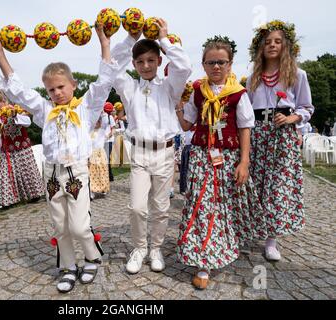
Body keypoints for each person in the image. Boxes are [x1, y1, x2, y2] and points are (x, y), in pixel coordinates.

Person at [0, 24, 117, 293]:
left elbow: (104, 82)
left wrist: (104, 43)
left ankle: (92, 257)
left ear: (73, 85)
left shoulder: (86, 109)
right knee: (60, 225)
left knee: (80, 226)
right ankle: (68, 266)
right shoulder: (44, 110)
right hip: (52, 174)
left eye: (61, 87)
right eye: (51, 89)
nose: (57, 93)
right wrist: (0, 56)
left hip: (76, 172)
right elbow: (19, 91)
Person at [175, 36, 265, 290]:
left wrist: (244, 162)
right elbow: (187, 124)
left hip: (227, 158)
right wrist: (178, 105)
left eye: (221, 62)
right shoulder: (198, 91)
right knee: (202, 204)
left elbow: (245, 127)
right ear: (203, 64)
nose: (216, 67)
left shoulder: (238, 94)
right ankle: (204, 261)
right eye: (211, 62)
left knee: (223, 205)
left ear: (230, 64)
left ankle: (223, 244)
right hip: (202, 156)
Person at [110, 19, 192, 274]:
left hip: (165, 152)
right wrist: (130, 39)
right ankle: (139, 247)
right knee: (136, 206)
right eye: (140, 62)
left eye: (151, 61)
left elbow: (184, 66)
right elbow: (112, 68)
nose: (146, 66)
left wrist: (164, 39)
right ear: (134, 64)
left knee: (161, 206)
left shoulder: (170, 87)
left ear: (159, 61)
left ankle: (155, 247)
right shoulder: (129, 87)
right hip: (140, 153)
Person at [247, 20, 314, 261]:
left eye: (277, 41)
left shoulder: (297, 74)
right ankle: (251, 227)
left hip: (281, 134)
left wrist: (292, 118)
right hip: (257, 134)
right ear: (260, 48)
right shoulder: (253, 77)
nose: (272, 45)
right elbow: (246, 109)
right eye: (267, 42)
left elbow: (307, 106)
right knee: (255, 183)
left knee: (277, 187)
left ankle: (271, 239)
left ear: (286, 45)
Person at [0, 91, 45, 209]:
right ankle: (6, 201)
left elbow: (27, 122)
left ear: (4, 101)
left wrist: (14, 116)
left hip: (22, 147)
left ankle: (35, 194)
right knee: (5, 174)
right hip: (7, 149)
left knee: (27, 171)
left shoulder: (16, 110)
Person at [89, 114, 110, 199]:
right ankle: (92, 191)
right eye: (96, 121)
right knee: (91, 172)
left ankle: (102, 188)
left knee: (101, 171)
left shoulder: (102, 131)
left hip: (100, 154)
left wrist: (102, 112)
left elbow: (105, 121)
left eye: (99, 121)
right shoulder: (89, 131)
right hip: (91, 154)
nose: (97, 123)